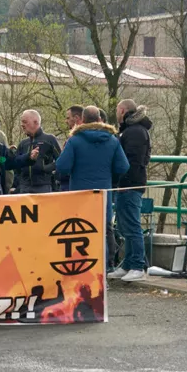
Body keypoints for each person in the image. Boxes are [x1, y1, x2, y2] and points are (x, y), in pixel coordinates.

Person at [56, 106, 129, 270]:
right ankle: (104, 269)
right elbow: (123, 166)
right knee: (103, 230)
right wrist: (110, 175)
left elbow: (62, 166)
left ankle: (83, 270)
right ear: (99, 119)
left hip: (79, 196)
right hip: (103, 195)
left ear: (82, 119)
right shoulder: (112, 140)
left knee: (81, 232)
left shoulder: (75, 140)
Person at [113, 100, 151, 282]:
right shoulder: (129, 130)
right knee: (124, 225)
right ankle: (128, 264)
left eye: (117, 110)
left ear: (122, 110)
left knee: (132, 225)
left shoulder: (134, 132)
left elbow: (133, 161)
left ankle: (137, 265)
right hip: (125, 184)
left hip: (131, 184)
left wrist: (125, 181)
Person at [4, 110, 61, 194]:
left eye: (24, 122)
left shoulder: (49, 139)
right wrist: (15, 185)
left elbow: (61, 160)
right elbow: (16, 165)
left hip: (43, 186)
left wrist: (45, 168)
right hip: (24, 187)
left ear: (36, 122)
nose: (22, 125)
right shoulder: (23, 143)